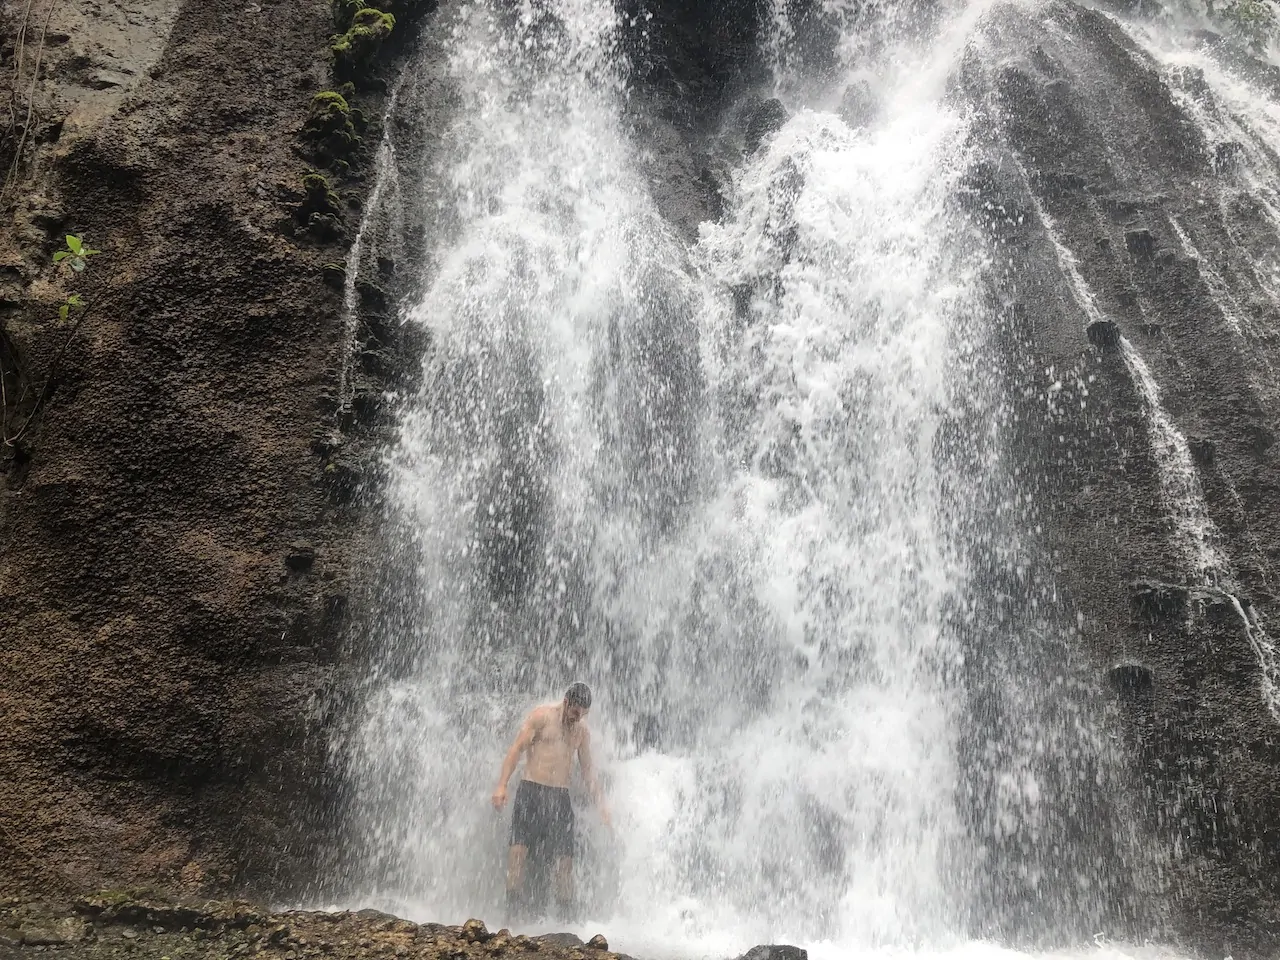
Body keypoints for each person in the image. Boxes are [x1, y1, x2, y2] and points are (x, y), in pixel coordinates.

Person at [491, 681, 610, 921]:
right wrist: (502, 785)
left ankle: (568, 920)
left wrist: (602, 805)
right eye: (576, 712)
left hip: (560, 798)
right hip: (531, 791)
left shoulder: (581, 732)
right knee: (518, 854)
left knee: (565, 861)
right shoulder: (541, 717)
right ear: (566, 702)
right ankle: (511, 916)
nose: (578, 718)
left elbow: (587, 771)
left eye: (584, 714)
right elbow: (516, 750)